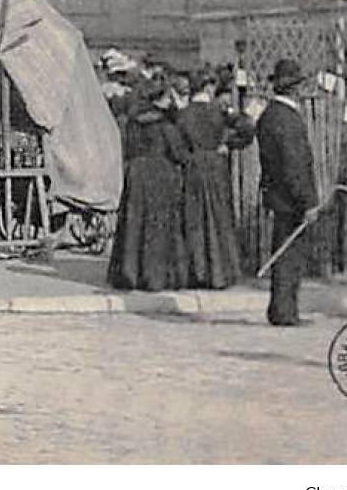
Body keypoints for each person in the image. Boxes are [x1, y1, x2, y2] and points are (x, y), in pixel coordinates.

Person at [107, 80, 191, 291]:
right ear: (160, 100)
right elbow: (179, 154)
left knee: (134, 225)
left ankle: (130, 273)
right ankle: (156, 277)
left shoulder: (132, 123)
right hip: (159, 175)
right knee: (158, 227)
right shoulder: (165, 126)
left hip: (136, 174)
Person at [256, 59, 318, 327]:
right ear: (295, 89)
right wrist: (308, 200)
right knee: (289, 255)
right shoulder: (288, 119)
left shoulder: (269, 115)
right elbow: (294, 164)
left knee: (283, 250)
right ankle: (284, 311)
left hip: (276, 193)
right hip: (290, 198)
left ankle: (282, 309)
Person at [178, 70, 250, 289]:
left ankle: (196, 273)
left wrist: (189, 157)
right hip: (216, 167)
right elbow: (248, 128)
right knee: (219, 218)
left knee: (194, 221)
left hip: (193, 168)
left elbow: (177, 144)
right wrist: (228, 145)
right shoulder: (218, 112)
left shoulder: (183, 114)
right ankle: (220, 273)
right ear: (208, 88)